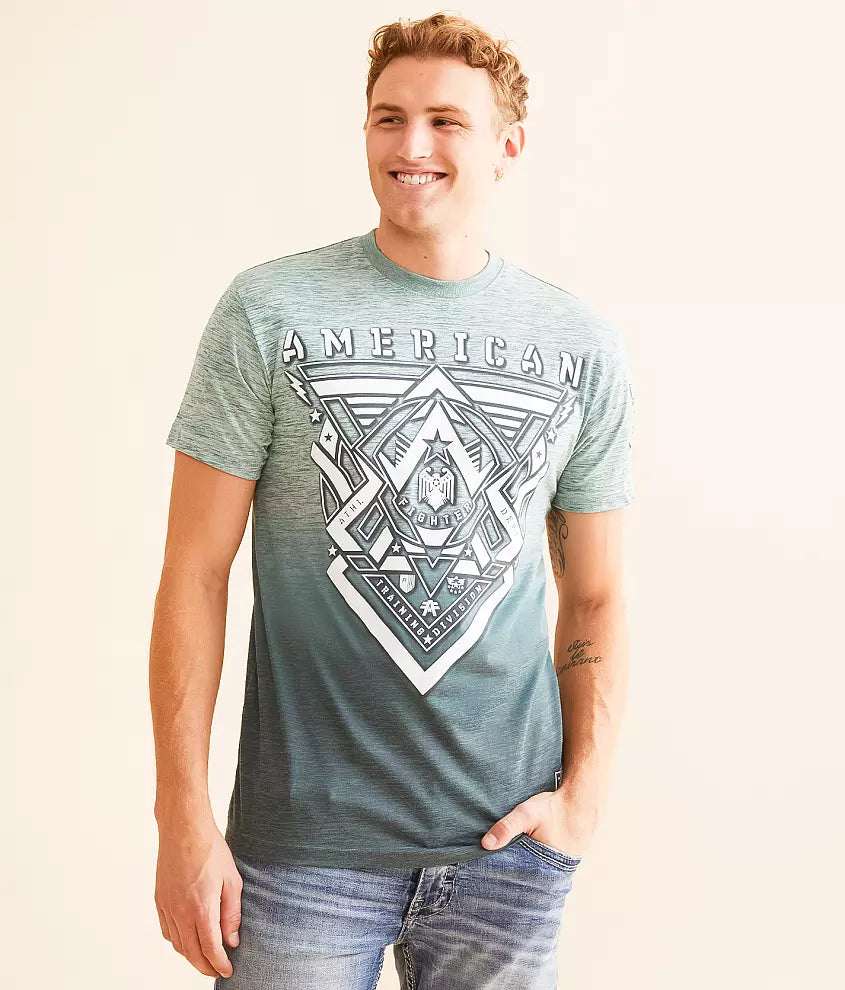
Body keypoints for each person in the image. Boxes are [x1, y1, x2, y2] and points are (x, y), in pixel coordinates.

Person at [149, 11, 636, 989]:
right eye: (388, 118)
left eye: (445, 121)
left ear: (507, 146)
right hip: (298, 853)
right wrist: (182, 819)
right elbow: (193, 572)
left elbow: (594, 594)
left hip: (508, 851)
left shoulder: (577, 347)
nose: (411, 145)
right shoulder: (268, 312)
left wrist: (581, 801)